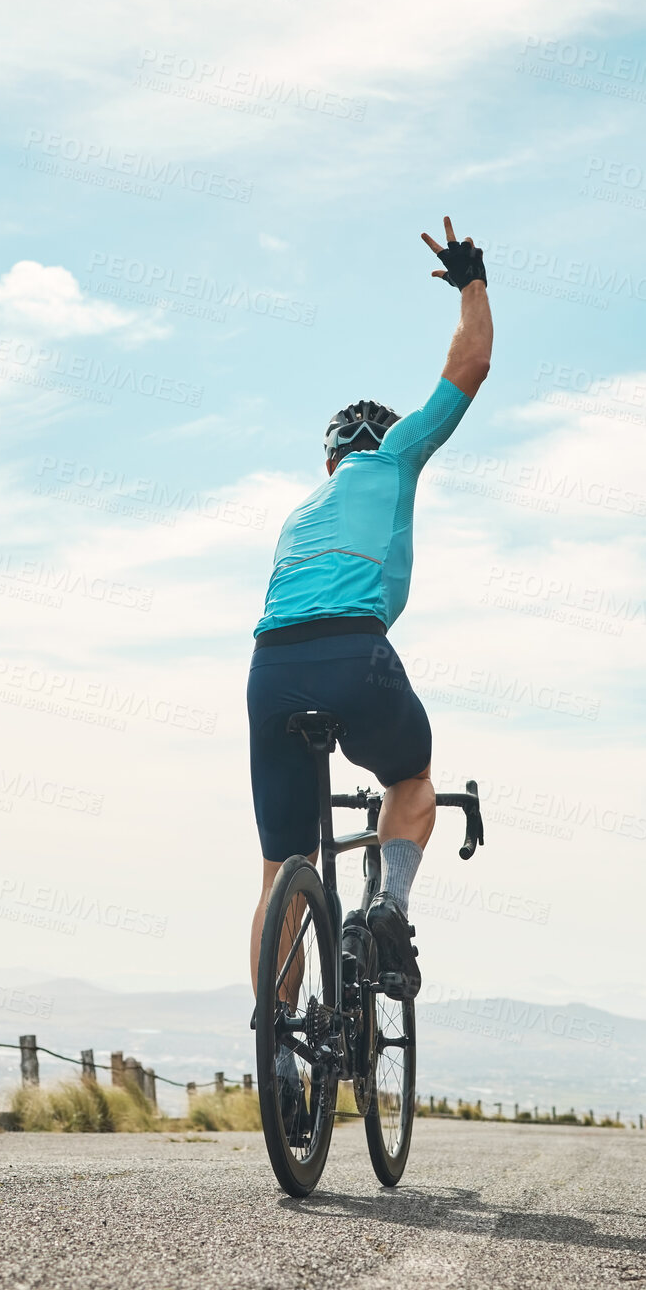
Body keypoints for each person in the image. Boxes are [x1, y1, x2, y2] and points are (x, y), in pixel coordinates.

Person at [248, 217, 493, 1006]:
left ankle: (277, 1047)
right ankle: (387, 906)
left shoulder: (298, 511)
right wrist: (470, 280)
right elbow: (471, 363)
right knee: (411, 776)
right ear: (379, 443)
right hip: (355, 653)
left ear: (326, 459)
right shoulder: (395, 456)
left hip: (269, 667)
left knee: (276, 871)